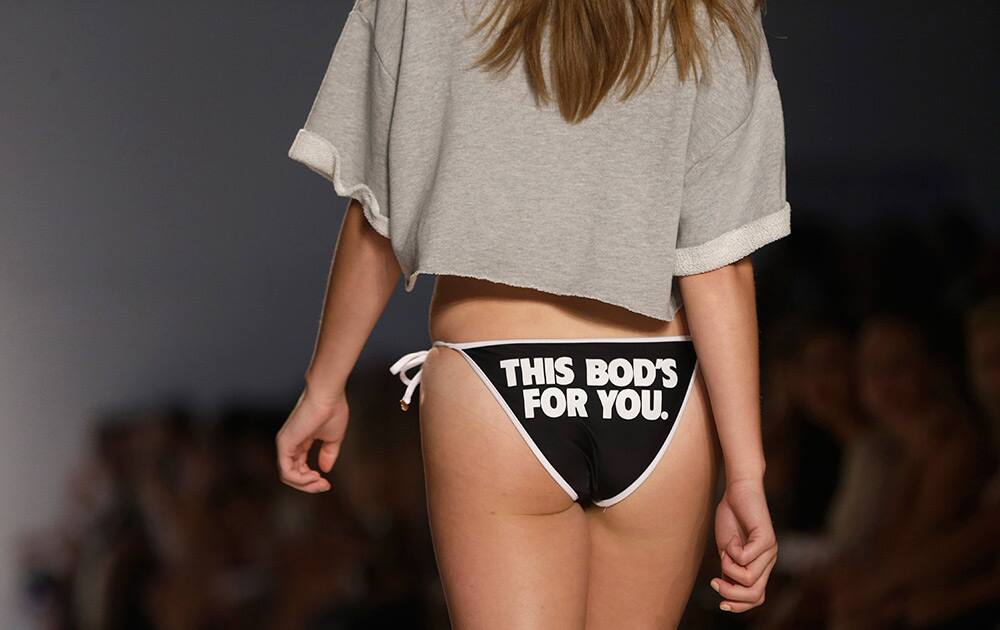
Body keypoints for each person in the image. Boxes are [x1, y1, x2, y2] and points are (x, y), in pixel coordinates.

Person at [276, 0, 790, 626]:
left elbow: (379, 207)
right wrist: (746, 473)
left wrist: (324, 385)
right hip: (660, 387)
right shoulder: (712, 11)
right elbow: (719, 262)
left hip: (497, 378)